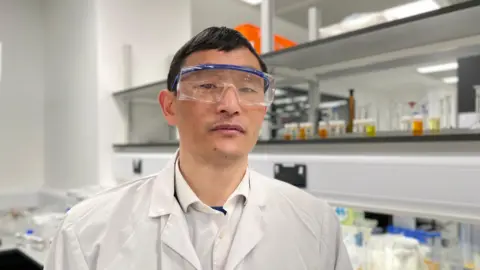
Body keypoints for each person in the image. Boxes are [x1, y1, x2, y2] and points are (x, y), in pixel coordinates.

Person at [44, 26, 352, 270]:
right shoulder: (87, 232)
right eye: (207, 86)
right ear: (169, 107)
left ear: (264, 109)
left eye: (247, 88)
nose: (230, 105)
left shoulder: (316, 225)